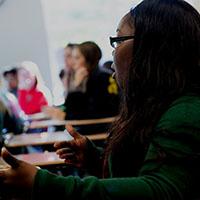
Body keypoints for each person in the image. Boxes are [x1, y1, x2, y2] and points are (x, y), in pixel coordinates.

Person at [1, 0, 200, 199]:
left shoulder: (187, 111)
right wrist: (95, 158)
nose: (113, 51)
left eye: (119, 40)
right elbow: (141, 169)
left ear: (153, 48)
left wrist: (43, 184)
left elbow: (161, 190)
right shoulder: (155, 106)